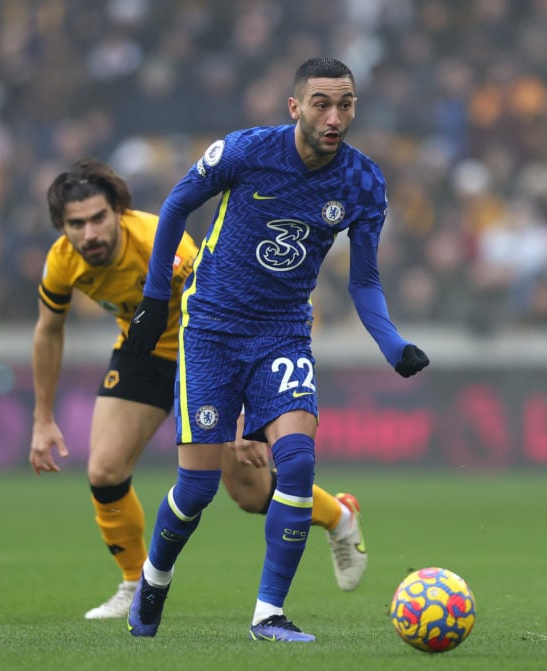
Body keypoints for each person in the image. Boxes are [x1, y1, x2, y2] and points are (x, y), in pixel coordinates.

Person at [124, 57, 429, 642]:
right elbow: (175, 207)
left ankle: (269, 614)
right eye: (322, 103)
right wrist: (153, 300)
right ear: (295, 107)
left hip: (283, 332)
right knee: (198, 489)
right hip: (210, 328)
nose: (335, 115)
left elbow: (364, 281)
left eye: (346, 104)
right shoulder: (245, 151)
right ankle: (154, 579)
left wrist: (394, 345)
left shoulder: (363, 182)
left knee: (297, 462)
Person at [29, 158, 369, 621]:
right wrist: (43, 418)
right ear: (61, 227)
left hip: (209, 349)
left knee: (248, 495)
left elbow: (221, 309)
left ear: (119, 213)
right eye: (76, 224)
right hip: (143, 351)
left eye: (98, 219)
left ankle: (339, 516)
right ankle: (133, 583)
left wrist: (241, 412)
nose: (89, 233)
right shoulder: (62, 262)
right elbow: (49, 332)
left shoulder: (160, 244)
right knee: (105, 470)